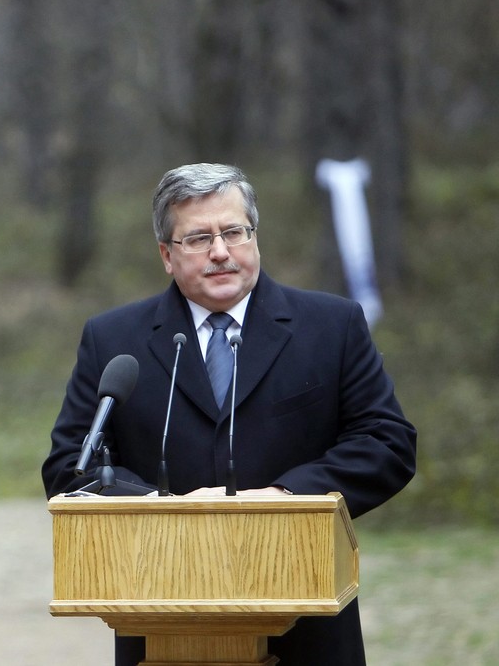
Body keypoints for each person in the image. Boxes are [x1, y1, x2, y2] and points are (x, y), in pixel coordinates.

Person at [41, 163, 416, 665]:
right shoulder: (114, 341)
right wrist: (167, 510)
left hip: (306, 615)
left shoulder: (332, 326)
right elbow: (72, 464)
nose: (220, 252)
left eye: (233, 232)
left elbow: (386, 442)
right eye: (197, 238)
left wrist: (284, 497)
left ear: (254, 237)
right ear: (166, 256)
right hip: (162, 612)